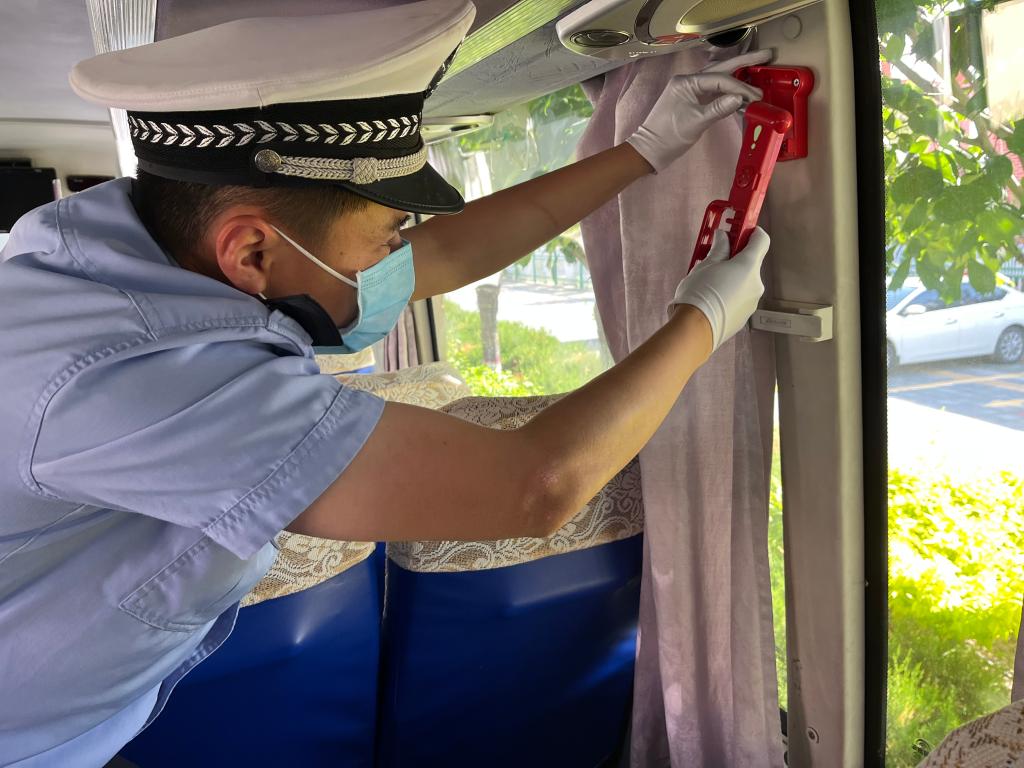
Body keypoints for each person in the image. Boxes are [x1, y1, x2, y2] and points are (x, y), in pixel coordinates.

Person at [0, 0, 771, 764]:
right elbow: (534, 486)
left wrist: (643, 150)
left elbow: (448, 254)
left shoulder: (128, 257)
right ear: (252, 254)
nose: (398, 258)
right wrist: (700, 322)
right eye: (386, 235)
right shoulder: (138, 376)